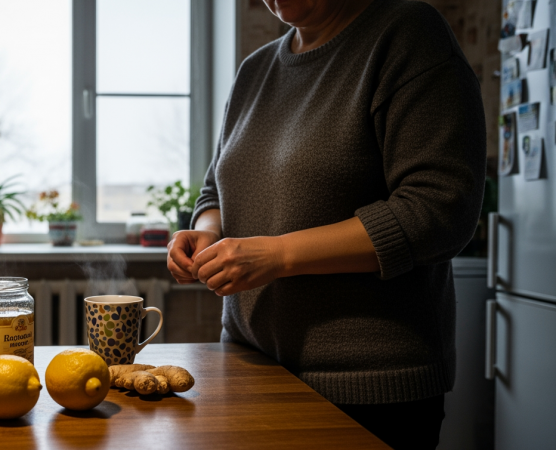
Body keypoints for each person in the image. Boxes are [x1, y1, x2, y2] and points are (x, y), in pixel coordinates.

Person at [166, 1, 486, 449]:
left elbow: (440, 210)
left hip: (365, 387)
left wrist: (278, 255)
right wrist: (207, 230)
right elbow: (215, 192)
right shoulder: (253, 70)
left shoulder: (407, 34)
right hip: (250, 366)